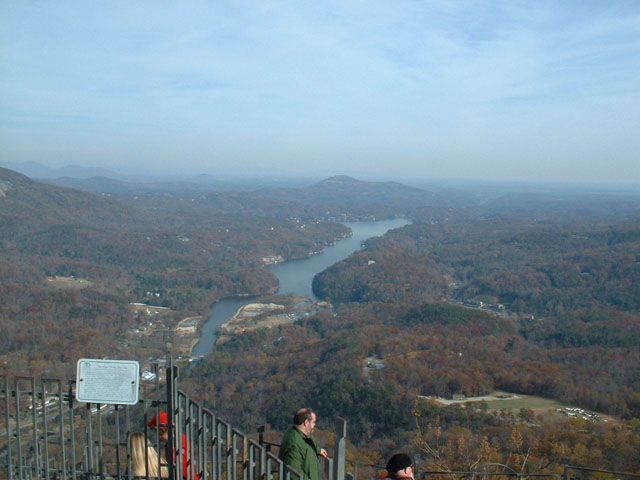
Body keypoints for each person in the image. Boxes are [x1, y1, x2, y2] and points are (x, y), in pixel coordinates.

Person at [279, 408, 328, 480]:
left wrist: (318, 450)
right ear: (306, 422)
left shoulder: (301, 434)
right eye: (313, 422)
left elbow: (307, 444)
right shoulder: (294, 442)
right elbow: (294, 471)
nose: (314, 425)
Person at [148, 412, 199, 480]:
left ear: (161, 430)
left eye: (155, 430)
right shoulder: (174, 443)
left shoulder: (176, 448)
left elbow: (187, 472)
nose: (155, 433)